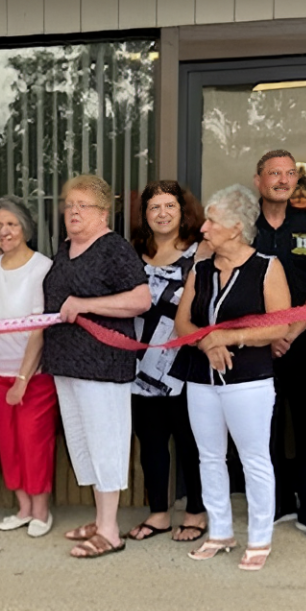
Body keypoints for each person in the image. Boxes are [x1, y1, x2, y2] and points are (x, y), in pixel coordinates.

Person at [173, 185, 292, 571]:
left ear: (236, 228)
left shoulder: (267, 267)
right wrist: (209, 341)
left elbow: (280, 325)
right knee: (209, 456)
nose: (203, 228)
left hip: (249, 379)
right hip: (201, 377)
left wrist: (232, 336)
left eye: (212, 221)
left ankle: (259, 538)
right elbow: (182, 323)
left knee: (254, 458)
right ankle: (220, 531)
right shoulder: (201, 269)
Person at [42, 175, 151, 559]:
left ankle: (110, 531)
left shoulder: (113, 249)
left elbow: (141, 299)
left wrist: (86, 305)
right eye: (68, 204)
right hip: (67, 365)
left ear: (103, 213)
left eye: (82, 205)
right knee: (84, 444)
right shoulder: (64, 249)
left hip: (103, 366)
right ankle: (100, 517)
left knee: (106, 444)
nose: (73, 211)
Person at [253, 149, 306, 542]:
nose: (283, 180)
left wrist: (288, 331)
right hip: (253, 346)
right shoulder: (242, 227)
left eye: (289, 174)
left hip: (304, 343)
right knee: (262, 427)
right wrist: (266, 335)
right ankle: (275, 503)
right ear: (259, 180)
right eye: (275, 173)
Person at [127, 181, 208, 545]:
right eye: (154, 207)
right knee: (152, 443)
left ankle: (196, 512)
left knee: (190, 443)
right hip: (140, 365)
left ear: (182, 210)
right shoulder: (132, 254)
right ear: (145, 216)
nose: (162, 213)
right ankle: (158, 513)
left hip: (185, 364)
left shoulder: (201, 252)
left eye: (169, 206)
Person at [0, 195, 57, 537]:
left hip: (32, 376)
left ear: (25, 228)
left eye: (11, 224)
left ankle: (41, 511)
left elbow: (39, 329)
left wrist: (23, 378)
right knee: (8, 444)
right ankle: (23, 507)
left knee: (34, 443)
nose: (5, 230)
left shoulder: (42, 267)